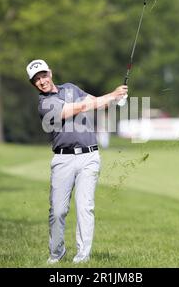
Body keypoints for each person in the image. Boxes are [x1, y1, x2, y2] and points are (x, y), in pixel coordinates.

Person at [26, 59, 127, 264]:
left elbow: (95, 102)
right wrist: (112, 95)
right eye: (36, 79)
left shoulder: (70, 88)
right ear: (34, 84)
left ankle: (82, 255)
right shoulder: (44, 104)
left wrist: (116, 99)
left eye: (43, 75)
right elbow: (80, 107)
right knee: (58, 210)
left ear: (50, 73)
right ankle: (57, 253)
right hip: (63, 159)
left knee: (85, 206)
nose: (42, 81)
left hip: (89, 157)